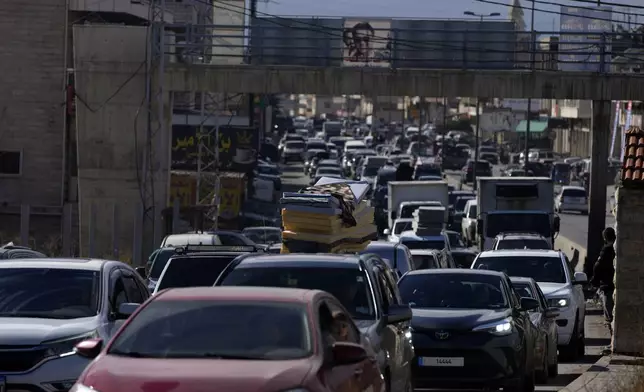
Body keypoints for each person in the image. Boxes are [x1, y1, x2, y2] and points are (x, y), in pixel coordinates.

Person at [591, 227, 616, 335]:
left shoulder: (606, 250)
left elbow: (598, 266)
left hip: (607, 285)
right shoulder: (617, 248)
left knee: (609, 315)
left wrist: (594, 281)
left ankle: (612, 338)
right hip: (614, 284)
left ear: (605, 238)